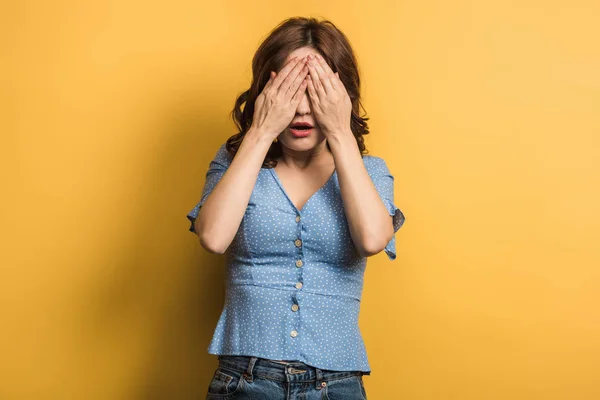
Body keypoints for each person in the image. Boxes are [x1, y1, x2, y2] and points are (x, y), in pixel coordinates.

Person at [187, 16, 406, 400]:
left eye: (317, 91)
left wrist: (339, 132)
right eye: (289, 90)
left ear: (343, 95)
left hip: (337, 384)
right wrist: (260, 131)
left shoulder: (370, 172)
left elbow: (373, 238)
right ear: (265, 92)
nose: (302, 110)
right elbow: (213, 237)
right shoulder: (235, 162)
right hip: (246, 379)